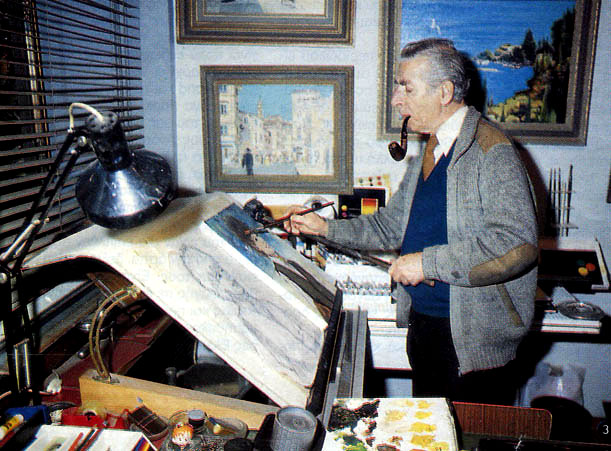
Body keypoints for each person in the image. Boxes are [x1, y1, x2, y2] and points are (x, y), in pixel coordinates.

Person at [284, 38, 538, 405]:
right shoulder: (431, 150)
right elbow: (389, 226)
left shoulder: (492, 151)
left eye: (407, 87)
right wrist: (324, 228)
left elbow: (517, 244)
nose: (395, 99)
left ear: (444, 92)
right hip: (425, 326)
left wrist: (426, 263)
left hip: (472, 347)